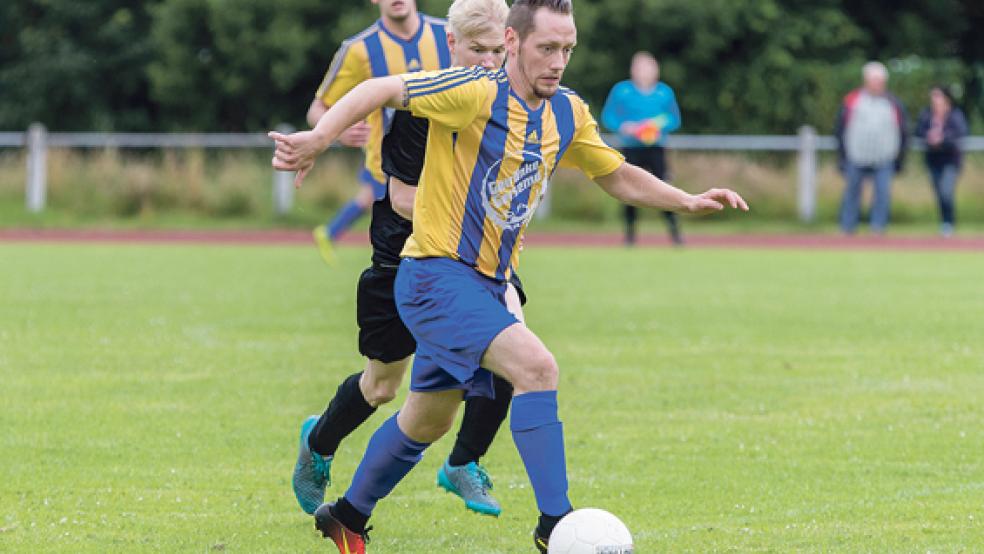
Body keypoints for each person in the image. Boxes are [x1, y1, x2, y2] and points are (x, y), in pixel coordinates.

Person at [270, 1, 748, 551]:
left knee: (426, 421)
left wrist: (684, 200)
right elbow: (379, 88)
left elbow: (614, 173)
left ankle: (347, 515)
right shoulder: (474, 92)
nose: (559, 61)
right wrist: (319, 137)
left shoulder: (566, 112)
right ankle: (556, 526)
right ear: (514, 43)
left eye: (568, 49)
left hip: (488, 283)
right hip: (432, 276)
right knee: (537, 367)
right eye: (548, 48)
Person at [292, 0, 518, 522]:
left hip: (469, 253)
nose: (486, 60)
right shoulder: (396, 79)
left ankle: (465, 461)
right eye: (476, 51)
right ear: (455, 48)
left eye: (494, 51)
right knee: (383, 384)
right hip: (403, 245)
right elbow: (402, 198)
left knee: (513, 346)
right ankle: (320, 442)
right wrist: (330, 130)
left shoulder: (503, 95)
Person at [308, 0, 452, 264]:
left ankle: (330, 233)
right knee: (395, 279)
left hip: (451, 176)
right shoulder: (359, 49)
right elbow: (318, 109)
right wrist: (338, 132)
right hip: (389, 177)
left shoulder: (450, 35)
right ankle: (330, 234)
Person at [601, 51, 683, 245]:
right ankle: (630, 236)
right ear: (633, 70)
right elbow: (609, 116)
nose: (645, 72)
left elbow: (674, 119)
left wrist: (656, 125)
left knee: (664, 188)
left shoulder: (664, 92)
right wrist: (624, 126)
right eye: (640, 67)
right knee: (629, 191)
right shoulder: (622, 91)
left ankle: (675, 235)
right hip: (630, 148)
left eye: (649, 67)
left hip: (656, 148)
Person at [834, 61, 908, 235]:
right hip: (856, 156)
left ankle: (878, 228)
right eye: (873, 80)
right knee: (852, 193)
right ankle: (847, 227)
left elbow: (904, 131)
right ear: (865, 81)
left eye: (879, 80)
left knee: (882, 195)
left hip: (884, 157)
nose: (876, 84)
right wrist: (842, 156)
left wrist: (899, 158)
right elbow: (840, 129)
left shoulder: (893, 103)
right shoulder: (852, 100)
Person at [914, 85, 969, 237]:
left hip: (950, 160)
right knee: (939, 192)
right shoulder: (926, 115)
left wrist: (942, 140)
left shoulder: (955, 115)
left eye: (938, 96)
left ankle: (949, 222)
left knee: (946, 191)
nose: (935, 100)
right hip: (933, 160)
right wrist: (928, 137)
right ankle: (944, 222)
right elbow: (918, 130)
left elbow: (960, 133)